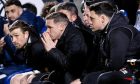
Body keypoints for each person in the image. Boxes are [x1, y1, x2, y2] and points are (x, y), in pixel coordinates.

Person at [81, 1, 140, 84]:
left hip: (133, 70)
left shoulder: (117, 32)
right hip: (125, 68)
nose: (89, 22)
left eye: (92, 18)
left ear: (102, 18)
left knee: (100, 78)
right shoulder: (106, 31)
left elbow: (116, 63)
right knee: (89, 77)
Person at [41, 12, 87, 84]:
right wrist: (49, 51)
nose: (47, 31)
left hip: (79, 75)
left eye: (50, 27)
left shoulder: (75, 36)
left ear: (61, 26)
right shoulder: (59, 37)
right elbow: (53, 66)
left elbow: (71, 66)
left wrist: (52, 50)